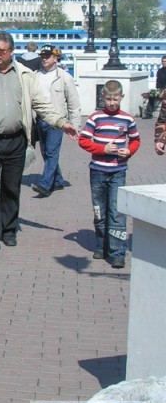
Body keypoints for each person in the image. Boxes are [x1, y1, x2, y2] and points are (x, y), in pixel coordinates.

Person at [0, 31, 78, 255]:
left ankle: (8, 230)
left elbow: (40, 104)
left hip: (16, 140)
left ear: (11, 51)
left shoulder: (25, 75)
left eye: (1, 51)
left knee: (10, 187)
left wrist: (61, 122)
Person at [79, 80, 140, 269]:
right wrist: (102, 148)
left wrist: (129, 151)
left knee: (117, 211)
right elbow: (83, 140)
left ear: (121, 97)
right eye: (108, 99)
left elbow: (135, 140)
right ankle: (101, 244)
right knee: (99, 210)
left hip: (118, 171)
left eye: (115, 99)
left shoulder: (127, 119)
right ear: (103, 97)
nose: (112, 103)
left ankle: (117, 251)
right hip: (97, 170)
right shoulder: (95, 118)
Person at [31, 44, 82, 197]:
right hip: (40, 120)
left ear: (55, 58)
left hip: (57, 121)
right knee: (46, 153)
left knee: (52, 153)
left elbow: (74, 103)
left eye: (47, 56)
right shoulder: (35, 75)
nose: (44, 58)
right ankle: (58, 181)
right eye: (42, 56)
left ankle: (45, 185)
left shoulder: (65, 77)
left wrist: (75, 125)